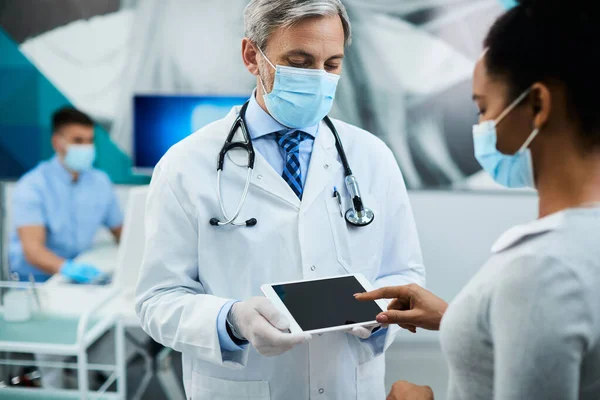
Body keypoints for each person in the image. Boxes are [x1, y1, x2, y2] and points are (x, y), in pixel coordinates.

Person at [135, 1, 426, 399]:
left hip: (349, 385)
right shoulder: (186, 165)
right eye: (300, 62)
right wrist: (231, 320)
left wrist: (381, 313)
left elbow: (404, 274)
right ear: (252, 56)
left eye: (332, 64)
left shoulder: (372, 156)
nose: (319, 78)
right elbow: (158, 300)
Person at [358, 1, 600, 399]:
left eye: (484, 109)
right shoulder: (569, 257)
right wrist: (463, 320)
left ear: (537, 105)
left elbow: (545, 301)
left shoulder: (541, 271)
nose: (482, 128)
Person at [8, 106, 123, 283]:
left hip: (77, 281)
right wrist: (68, 269)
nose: (86, 147)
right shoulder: (33, 185)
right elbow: (33, 251)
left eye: (90, 140)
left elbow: (121, 232)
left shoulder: (101, 182)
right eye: (78, 140)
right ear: (57, 142)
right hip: (36, 284)